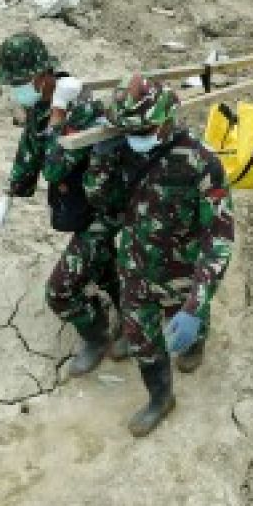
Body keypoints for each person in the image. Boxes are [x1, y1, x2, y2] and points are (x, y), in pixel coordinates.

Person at [85, 74, 235, 437]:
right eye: (129, 131)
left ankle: (196, 342)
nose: (136, 138)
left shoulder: (201, 163)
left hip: (181, 274)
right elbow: (102, 203)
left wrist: (195, 306)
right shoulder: (120, 149)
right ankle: (160, 397)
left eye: (145, 130)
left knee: (185, 327)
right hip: (135, 269)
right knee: (143, 343)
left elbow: (219, 238)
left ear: (168, 120)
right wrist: (100, 164)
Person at [0, 32, 126, 376]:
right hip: (82, 205)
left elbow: (54, 165)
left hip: (103, 210)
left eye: (19, 82)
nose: (17, 90)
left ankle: (97, 337)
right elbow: (31, 146)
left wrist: (58, 116)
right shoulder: (42, 101)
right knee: (106, 265)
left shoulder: (76, 107)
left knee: (60, 291)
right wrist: (11, 191)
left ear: (41, 75)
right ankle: (127, 315)